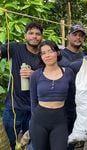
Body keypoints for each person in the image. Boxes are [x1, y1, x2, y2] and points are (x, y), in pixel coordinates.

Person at [0, 22, 43, 150]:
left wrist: (34, 74)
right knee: (9, 143)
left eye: (37, 34)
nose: (34, 36)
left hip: (35, 108)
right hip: (14, 107)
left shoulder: (45, 54)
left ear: (42, 37)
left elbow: (52, 76)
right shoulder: (15, 48)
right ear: (25, 36)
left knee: (32, 143)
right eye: (31, 33)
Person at [29, 40, 75, 150]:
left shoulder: (68, 72)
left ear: (57, 53)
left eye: (50, 51)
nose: (47, 55)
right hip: (39, 120)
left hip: (60, 120)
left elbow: (71, 99)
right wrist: (34, 117)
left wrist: (70, 119)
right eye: (43, 53)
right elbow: (33, 100)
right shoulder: (36, 75)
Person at [58, 24, 86, 150]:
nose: (78, 38)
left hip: (79, 106)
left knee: (72, 142)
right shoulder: (60, 54)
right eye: (75, 34)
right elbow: (68, 67)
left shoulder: (83, 55)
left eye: (81, 35)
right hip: (62, 105)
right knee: (60, 140)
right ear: (68, 36)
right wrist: (86, 61)